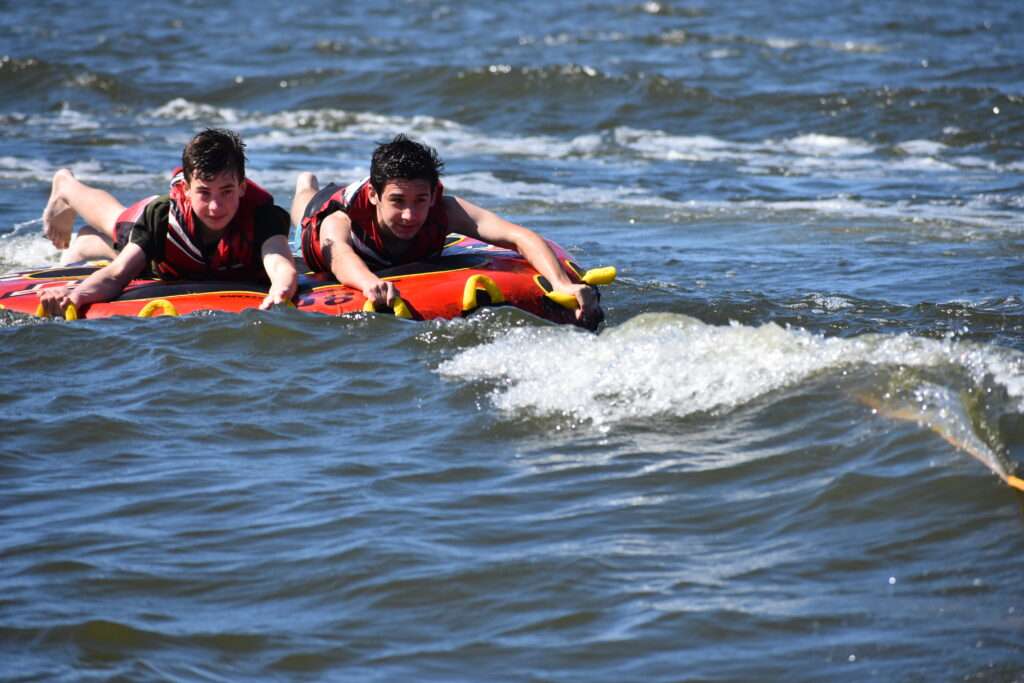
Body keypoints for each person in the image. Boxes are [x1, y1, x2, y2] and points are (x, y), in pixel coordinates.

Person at [290, 134, 602, 324]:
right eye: (397, 201)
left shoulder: (446, 208)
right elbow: (340, 256)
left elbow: (518, 237)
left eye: (420, 200)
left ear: (433, 193)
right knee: (304, 205)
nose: (410, 215)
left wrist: (561, 283)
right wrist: (368, 282)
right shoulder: (341, 219)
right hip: (322, 207)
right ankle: (306, 183)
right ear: (374, 195)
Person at [38, 128, 297, 316]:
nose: (216, 206)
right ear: (185, 189)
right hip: (156, 247)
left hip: (166, 261)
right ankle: (67, 187)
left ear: (242, 187)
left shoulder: (264, 217)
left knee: (126, 251)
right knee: (117, 223)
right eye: (204, 193)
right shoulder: (162, 217)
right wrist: (76, 295)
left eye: (227, 191)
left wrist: (281, 290)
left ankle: (86, 241)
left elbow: (280, 263)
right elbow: (117, 275)